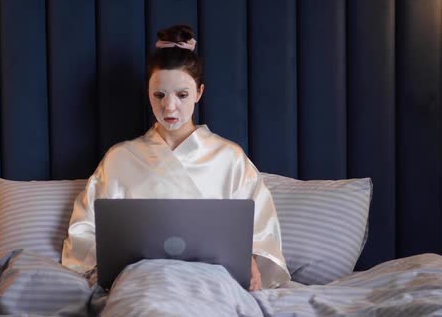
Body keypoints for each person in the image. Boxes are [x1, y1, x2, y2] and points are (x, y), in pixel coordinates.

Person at [62, 25, 290, 291]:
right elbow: (84, 233)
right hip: (141, 284)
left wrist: (250, 262)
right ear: (148, 93)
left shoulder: (230, 159)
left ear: (199, 93)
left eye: (182, 95)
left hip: (215, 284)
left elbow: (262, 234)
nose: (169, 107)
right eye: (159, 95)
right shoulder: (119, 159)